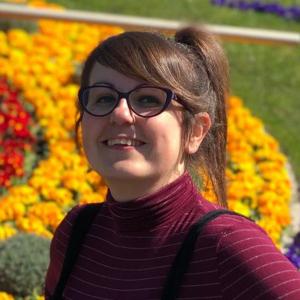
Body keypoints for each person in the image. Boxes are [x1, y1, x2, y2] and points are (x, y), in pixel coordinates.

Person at [44, 26, 300, 299]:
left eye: (147, 99)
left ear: (196, 131)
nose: (120, 114)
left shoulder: (226, 245)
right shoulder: (77, 233)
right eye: (104, 97)